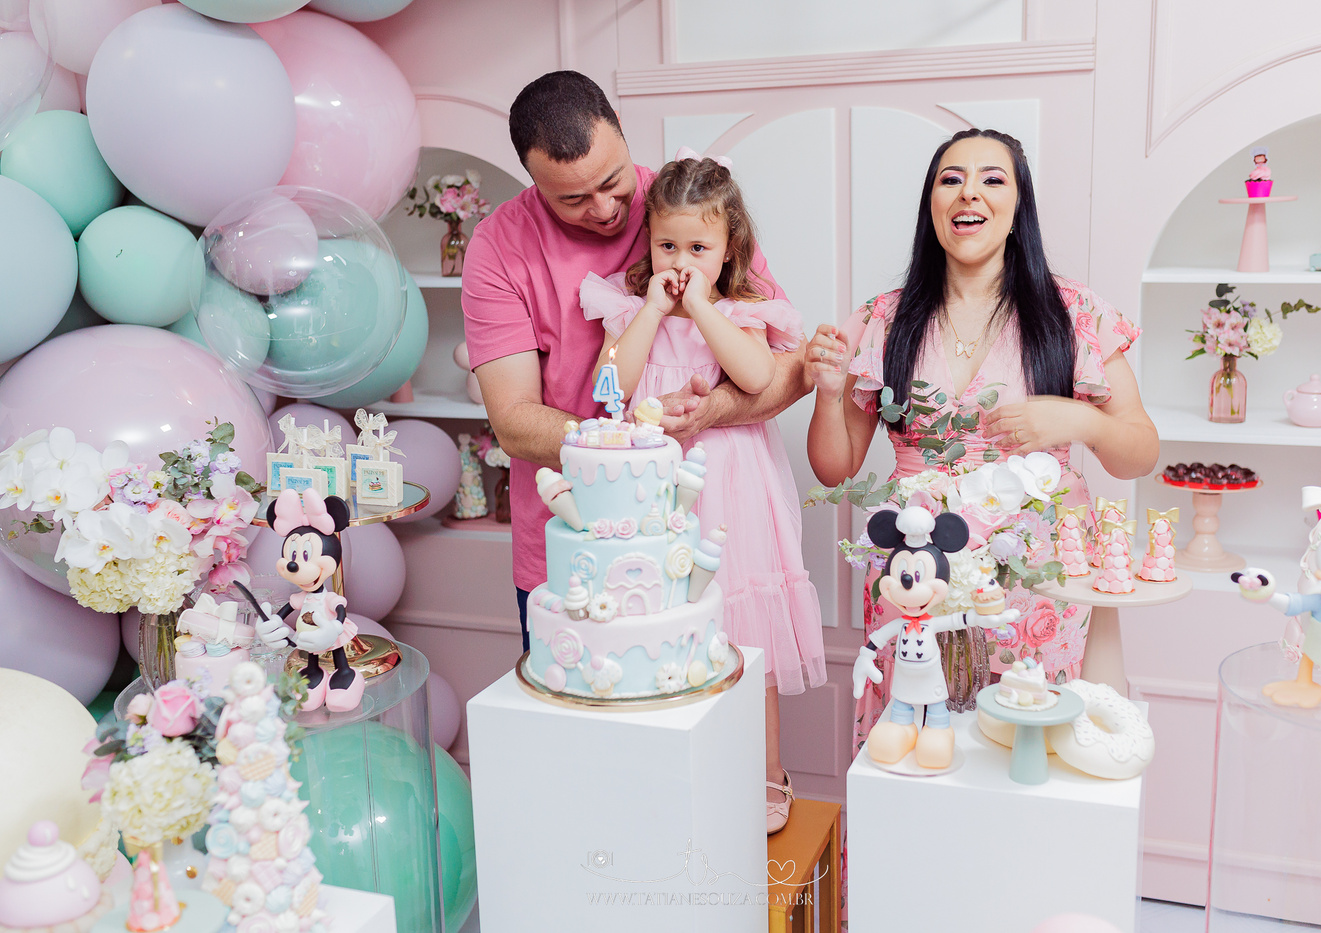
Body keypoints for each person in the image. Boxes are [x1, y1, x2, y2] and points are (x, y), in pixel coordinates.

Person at [460, 72, 809, 818]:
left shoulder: (687, 199)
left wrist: (707, 411)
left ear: (623, 133)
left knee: (721, 693)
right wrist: (632, 441)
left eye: (613, 182)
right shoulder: (499, 249)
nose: (605, 209)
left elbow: (784, 371)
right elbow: (514, 420)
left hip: (704, 513)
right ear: (533, 182)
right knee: (605, 776)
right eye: (572, 199)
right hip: (577, 543)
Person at [803, 128, 1159, 758]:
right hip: (917, 573)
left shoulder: (1074, 314)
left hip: (1037, 580)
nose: (970, 192)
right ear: (932, 206)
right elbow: (835, 469)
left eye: (993, 179)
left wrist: (1080, 422)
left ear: (1018, 206)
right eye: (951, 179)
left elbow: (1139, 450)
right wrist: (829, 395)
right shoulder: (884, 318)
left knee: (1028, 754)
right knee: (914, 745)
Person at [580, 152, 826, 832]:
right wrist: (655, 309)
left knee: (748, 638)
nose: (680, 260)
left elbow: (755, 377)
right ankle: (689, 778)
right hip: (658, 492)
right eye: (667, 246)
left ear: (728, 249)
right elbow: (609, 387)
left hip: (732, 484)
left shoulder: (740, 310)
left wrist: (698, 305)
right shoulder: (629, 308)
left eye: (698, 248)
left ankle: (767, 772)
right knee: (672, 638)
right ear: (649, 243)